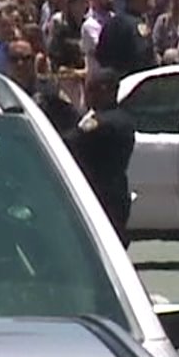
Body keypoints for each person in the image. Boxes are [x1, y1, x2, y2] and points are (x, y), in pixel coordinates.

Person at [64, 74, 136, 242]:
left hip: (101, 194)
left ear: (104, 91)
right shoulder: (124, 118)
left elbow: (72, 140)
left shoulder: (101, 122)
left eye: (90, 90)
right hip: (117, 191)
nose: (87, 96)